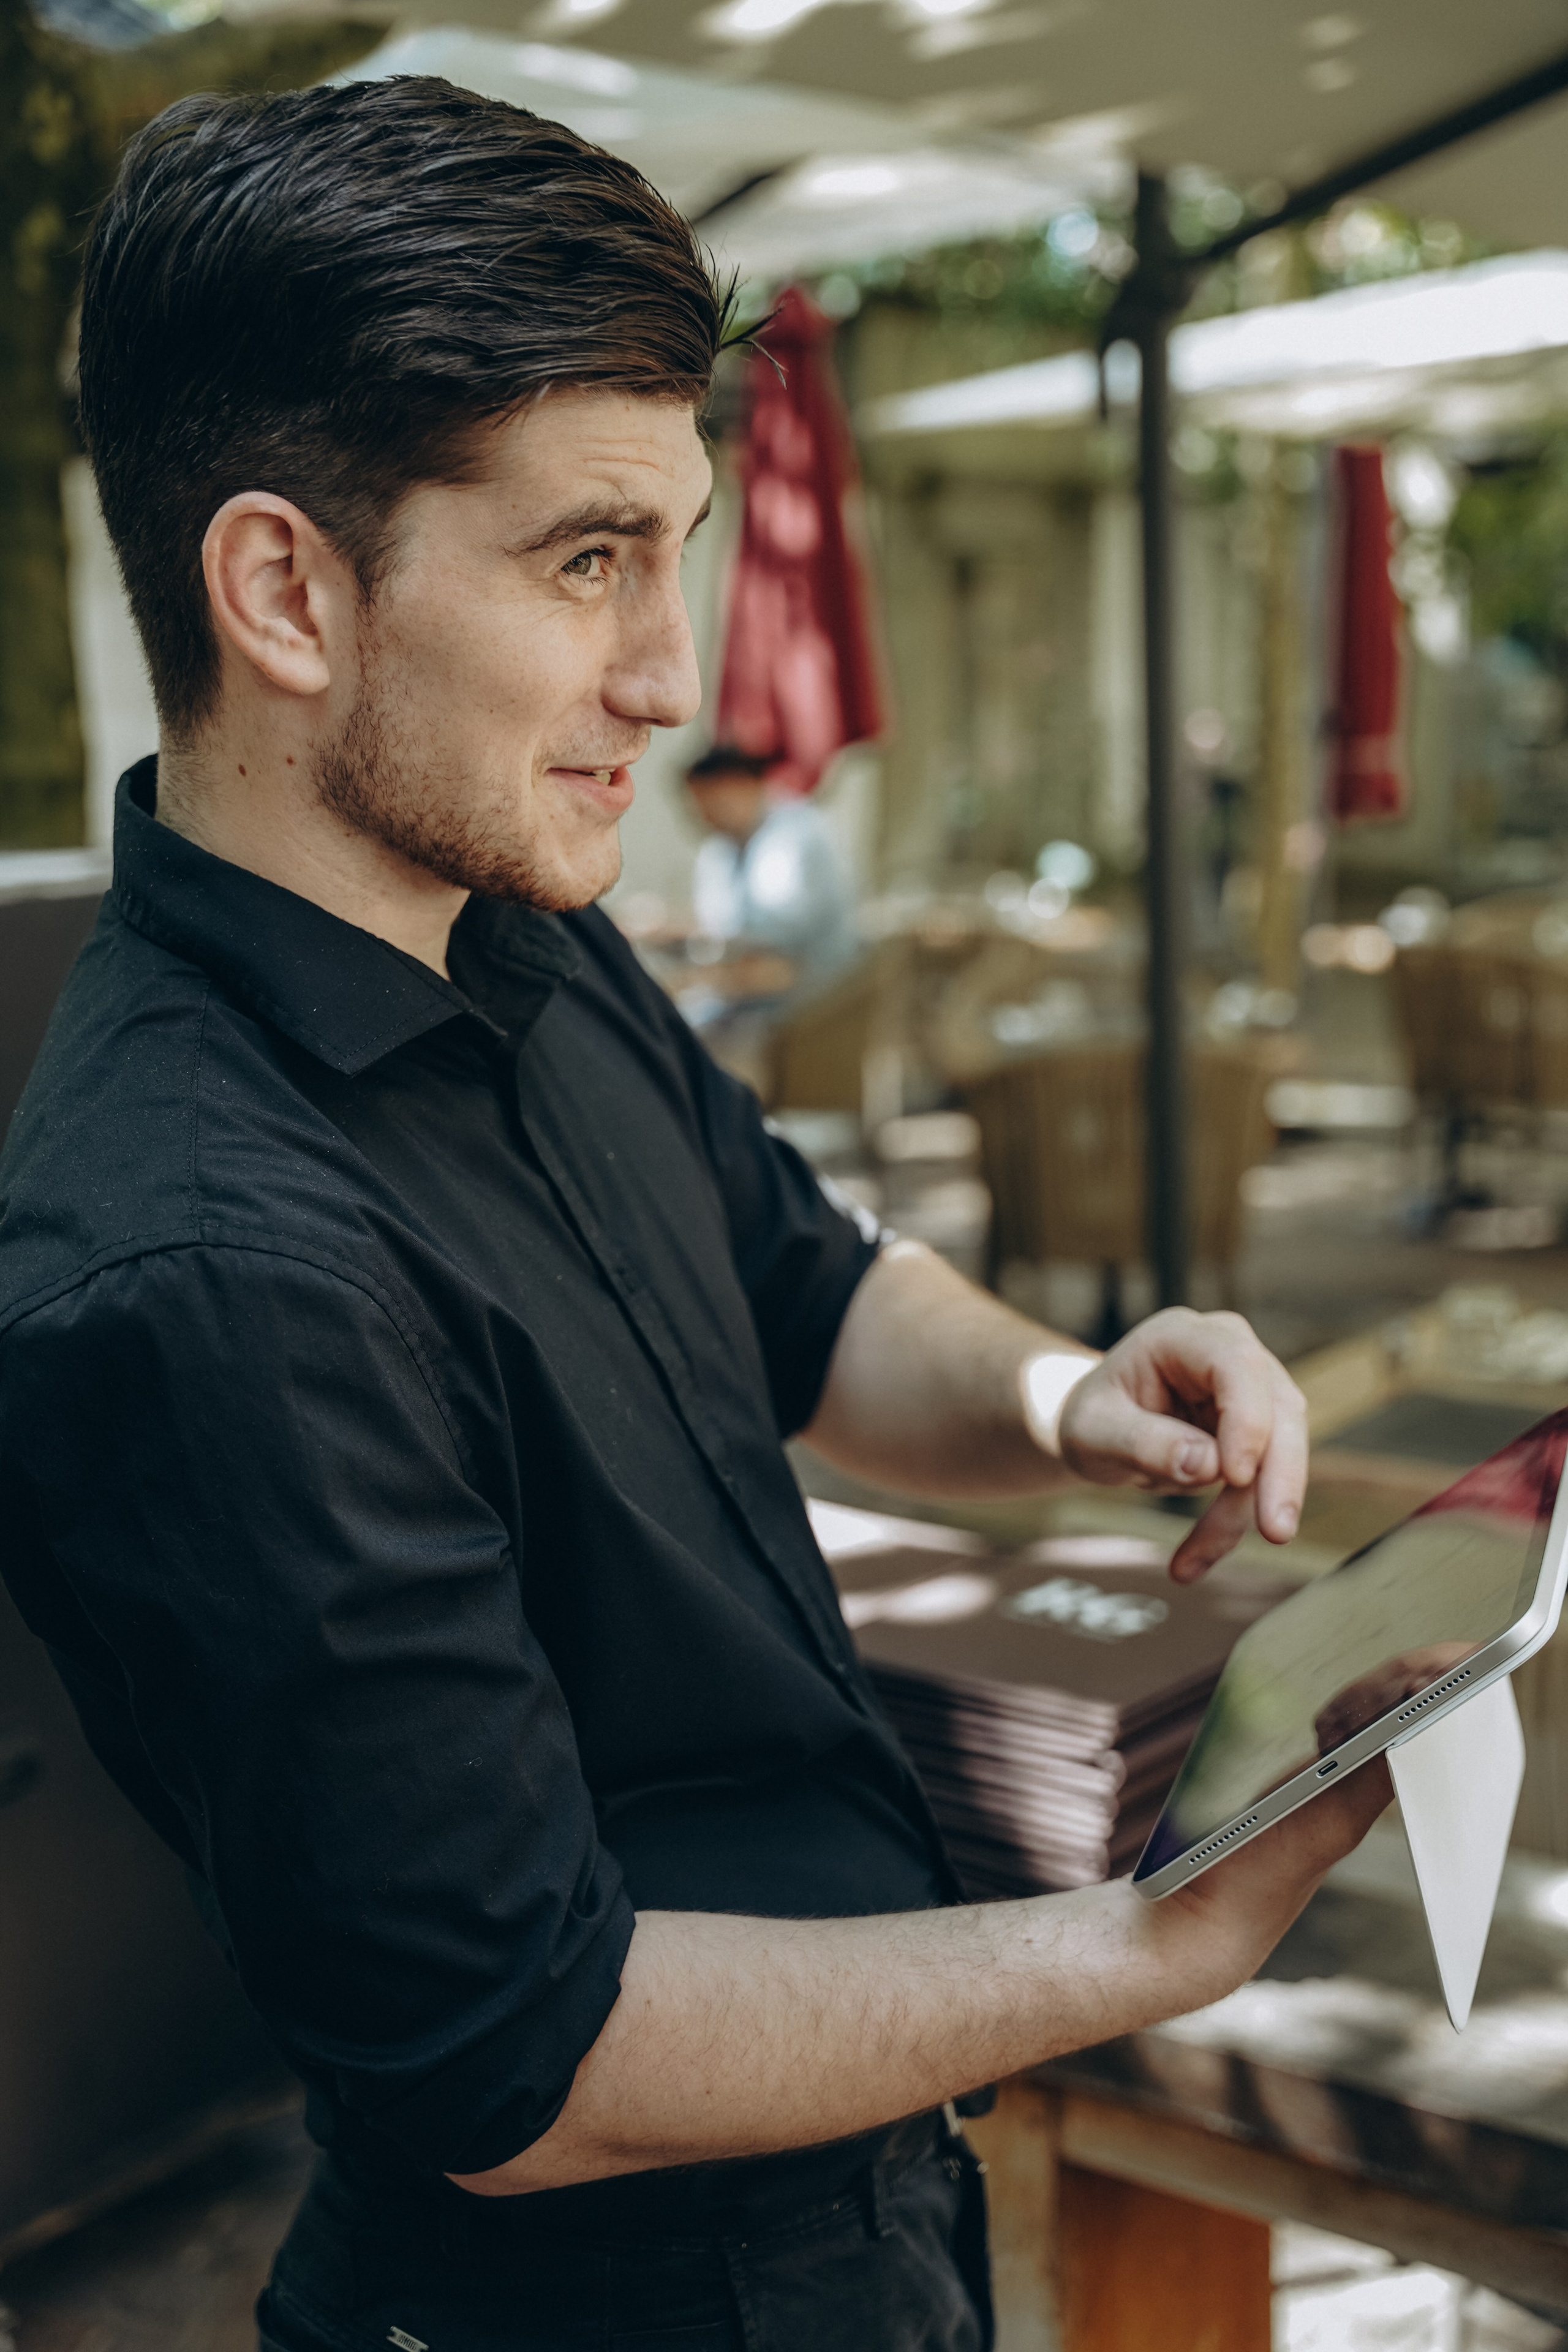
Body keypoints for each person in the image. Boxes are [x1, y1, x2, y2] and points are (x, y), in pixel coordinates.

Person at [0, 79, 1389, 2352]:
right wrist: (1138, 1953)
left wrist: (1066, 1393)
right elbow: (516, 2057)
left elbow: (814, 1300)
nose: (671, 671)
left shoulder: (509, 925)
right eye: (585, 560)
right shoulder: (199, 1264)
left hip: (856, 2224)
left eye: (678, 549)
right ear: (279, 588)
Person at [685, 743, 858, 978]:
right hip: (754, 986)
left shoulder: (796, 832)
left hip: (817, 989)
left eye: (710, 801)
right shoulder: (718, 851)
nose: (703, 815)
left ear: (743, 784)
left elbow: (778, 933)